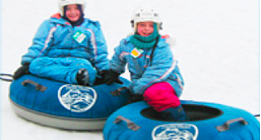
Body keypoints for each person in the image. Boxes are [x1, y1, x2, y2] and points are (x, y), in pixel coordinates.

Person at [104, 7, 188, 121]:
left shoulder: (162, 47)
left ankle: (178, 120)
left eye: (151, 26)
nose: (147, 29)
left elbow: (158, 72)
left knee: (155, 93)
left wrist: (139, 89)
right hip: (140, 84)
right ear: (135, 26)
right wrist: (113, 71)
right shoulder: (127, 44)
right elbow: (119, 57)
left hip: (166, 82)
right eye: (142, 25)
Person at [13, 0, 110, 86]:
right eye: (68, 9)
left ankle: (78, 75)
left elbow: (99, 52)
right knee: (36, 65)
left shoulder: (91, 28)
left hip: (79, 62)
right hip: (54, 60)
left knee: (90, 71)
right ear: (62, 10)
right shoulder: (51, 25)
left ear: (82, 9)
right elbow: (40, 46)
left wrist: (105, 70)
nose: (73, 12)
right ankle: (75, 77)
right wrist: (27, 63)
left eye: (76, 8)